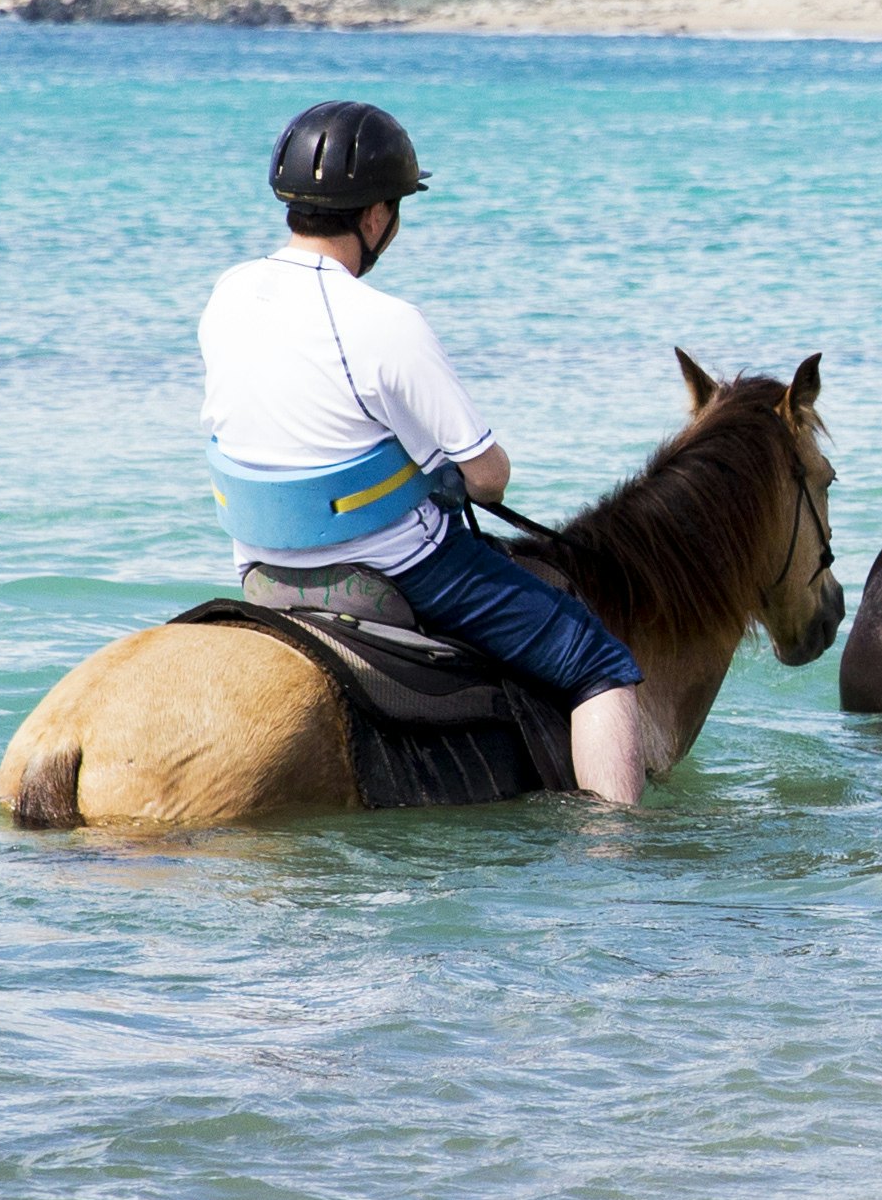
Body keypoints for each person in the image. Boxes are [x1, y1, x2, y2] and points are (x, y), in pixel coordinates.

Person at [201, 100, 658, 804]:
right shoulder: (385, 321)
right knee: (598, 662)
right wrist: (445, 477)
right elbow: (488, 478)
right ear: (376, 217)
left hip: (259, 557)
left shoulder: (228, 292)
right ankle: (617, 860)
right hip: (393, 560)